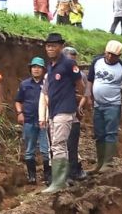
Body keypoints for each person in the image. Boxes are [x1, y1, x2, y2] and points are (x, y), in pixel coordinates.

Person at [85, 40, 122, 173]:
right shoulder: (97, 62)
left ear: (119, 55)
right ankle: (99, 163)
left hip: (113, 104)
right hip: (98, 105)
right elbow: (90, 80)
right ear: (105, 51)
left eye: (114, 55)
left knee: (110, 132)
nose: (110, 57)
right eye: (108, 54)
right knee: (99, 133)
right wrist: (87, 95)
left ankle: (108, 163)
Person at [38, 33, 84, 193]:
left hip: (65, 109)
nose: (50, 48)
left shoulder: (68, 64)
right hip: (54, 110)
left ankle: (58, 182)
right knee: (59, 145)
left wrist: (80, 102)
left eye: (54, 45)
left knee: (58, 144)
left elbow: (80, 84)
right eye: (48, 46)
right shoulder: (51, 66)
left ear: (61, 46)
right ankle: (61, 180)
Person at [15, 57, 51, 185]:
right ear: (30, 69)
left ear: (43, 70)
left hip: (44, 121)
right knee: (29, 150)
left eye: (39, 67)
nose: (36, 69)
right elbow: (18, 101)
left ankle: (48, 176)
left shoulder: (48, 84)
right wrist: (20, 113)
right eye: (34, 67)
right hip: (29, 120)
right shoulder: (24, 84)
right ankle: (32, 176)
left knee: (46, 150)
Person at [62, 47, 89, 181]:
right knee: (60, 145)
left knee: (72, 144)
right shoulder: (57, 72)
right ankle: (63, 173)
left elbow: (86, 93)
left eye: (74, 59)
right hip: (59, 112)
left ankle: (74, 170)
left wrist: (81, 105)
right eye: (69, 59)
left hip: (74, 113)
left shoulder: (80, 75)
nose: (72, 63)